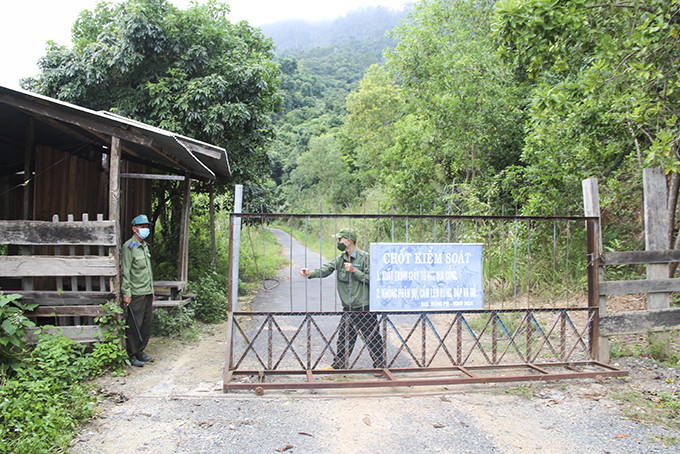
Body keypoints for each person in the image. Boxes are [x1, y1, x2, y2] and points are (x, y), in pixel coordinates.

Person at [300, 228, 384, 371]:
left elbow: (374, 279)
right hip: (348, 306)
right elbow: (326, 269)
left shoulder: (365, 258)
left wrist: (354, 271)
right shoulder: (341, 259)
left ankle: (379, 365)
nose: (338, 242)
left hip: (363, 306)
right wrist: (310, 274)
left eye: (340, 239)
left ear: (348, 240)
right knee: (345, 336)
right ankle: (339, 364)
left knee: (372, 336)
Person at [121, 214, 155, 368]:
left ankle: (141, 351)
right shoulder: (129, 247)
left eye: (146, 227)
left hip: (147, 291)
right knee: (134, 325)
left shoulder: (145, 246)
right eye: (142, 227)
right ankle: (132, 354)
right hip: (136, 293)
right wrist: (126, 293)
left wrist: (152, 290)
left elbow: (148, 271)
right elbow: (126, 272)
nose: (145, 229)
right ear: (134, 229)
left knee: (146, 324)